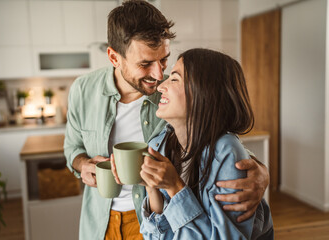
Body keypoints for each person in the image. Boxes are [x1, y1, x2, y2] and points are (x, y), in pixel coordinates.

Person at [64, 1, 269, 239]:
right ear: (114, 57)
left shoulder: (173, 99)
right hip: (102, 219)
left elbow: (216, 140)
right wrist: (82, 164)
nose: (159, 76)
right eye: (145, 64)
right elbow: (72, 148)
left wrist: (261, 172)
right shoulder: (83, 90)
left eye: (163, 60)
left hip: (154, 220)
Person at [131, 48, 274, 239]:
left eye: (174, 79)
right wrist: (151, 187)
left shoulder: (227, 152)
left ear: (203, 92)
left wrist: (175, 187)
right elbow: (156, 236)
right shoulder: (160, 145)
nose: (160, 86)